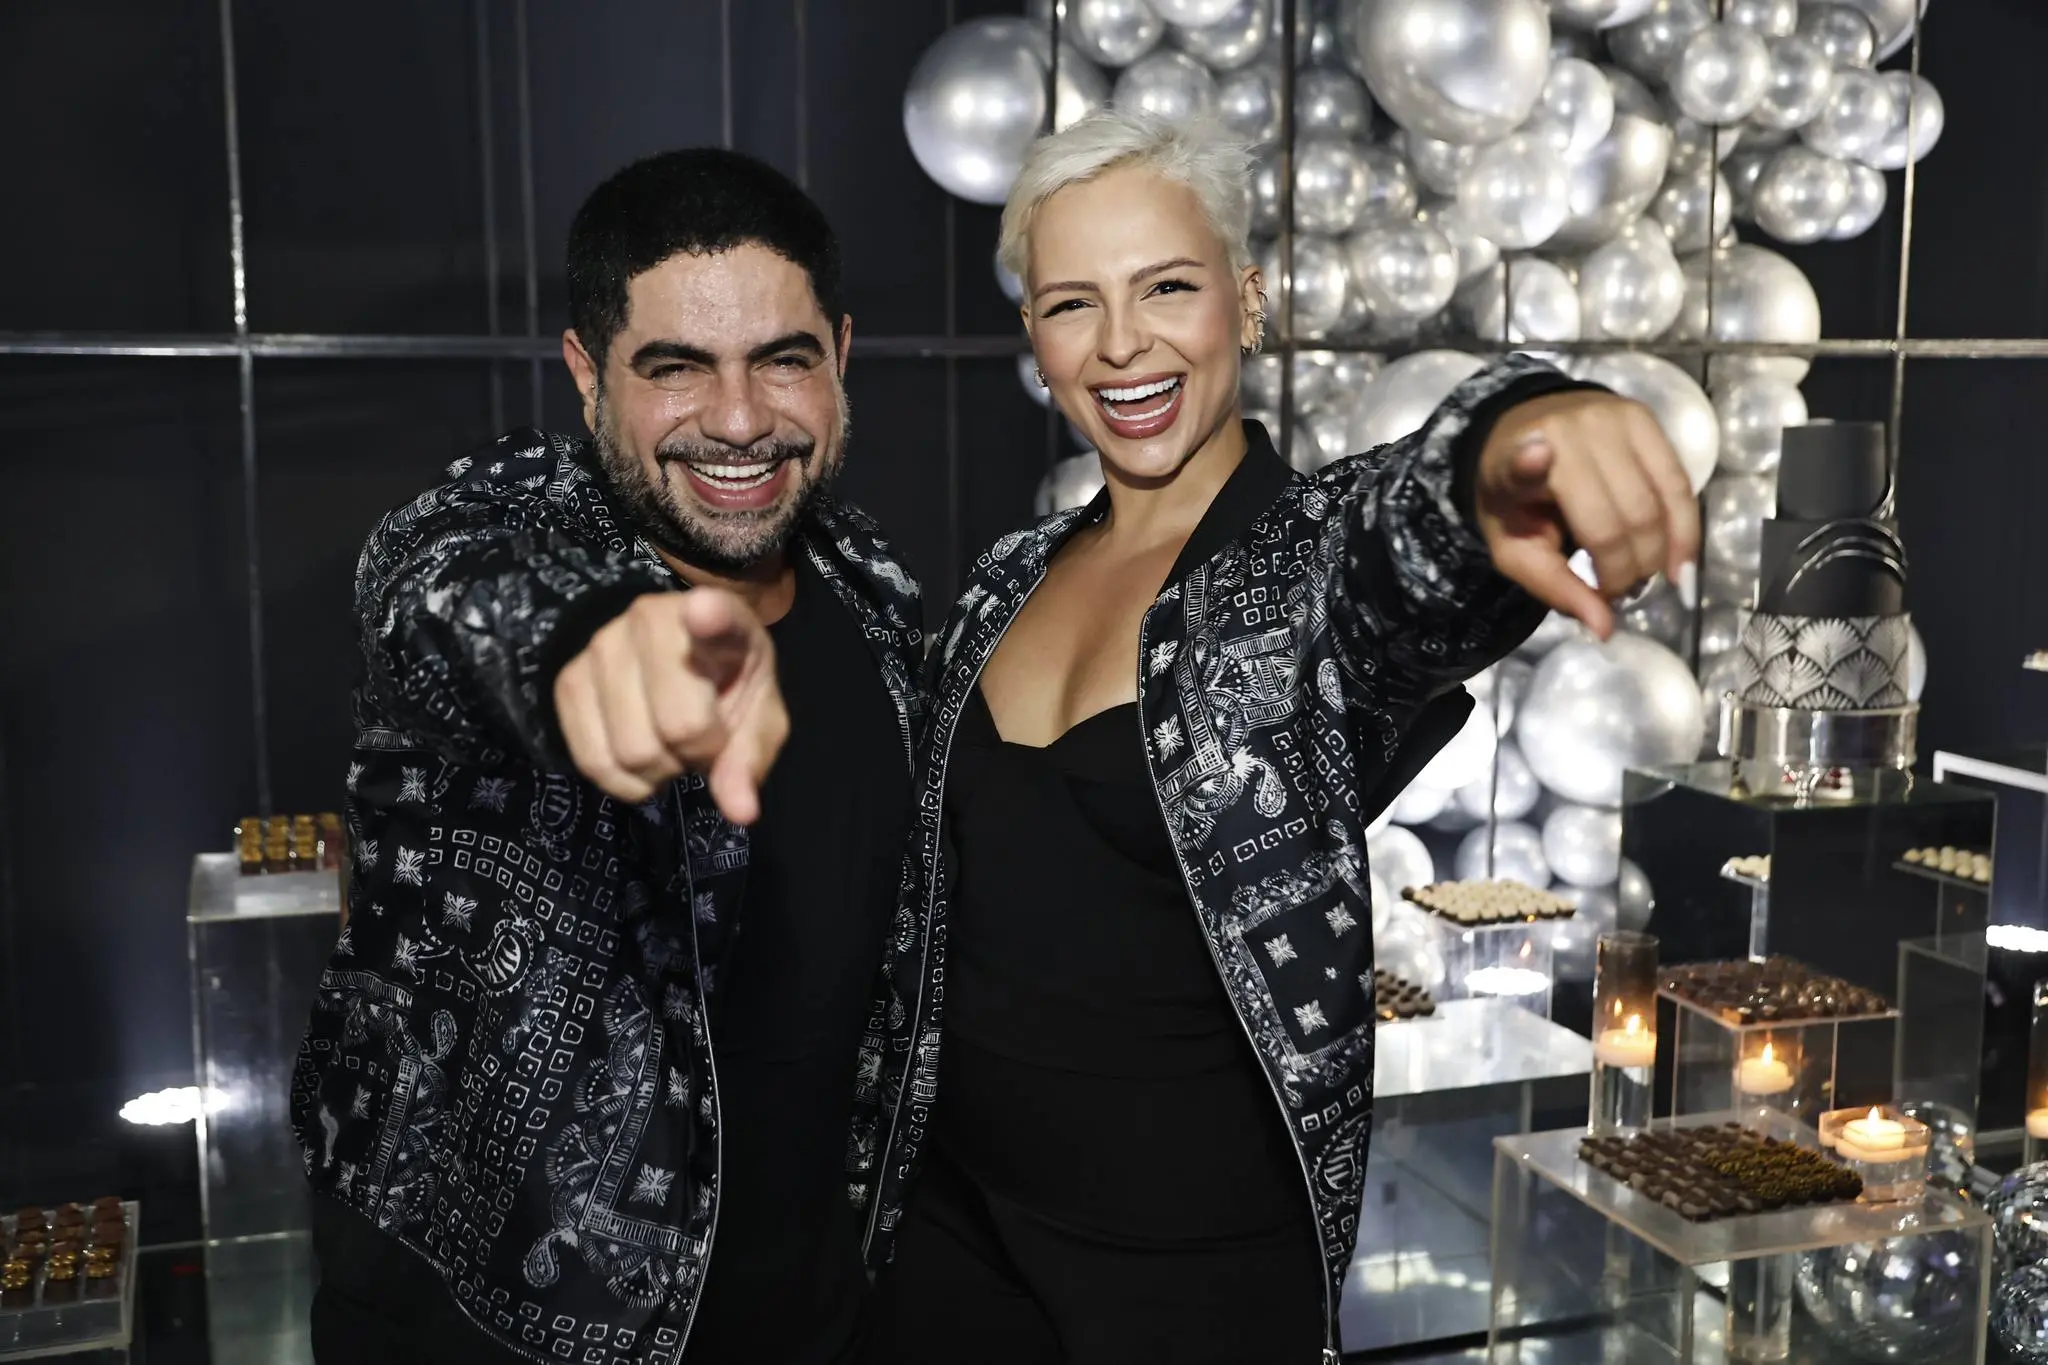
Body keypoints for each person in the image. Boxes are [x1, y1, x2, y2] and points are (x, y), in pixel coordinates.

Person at [858, 111, 1700, 1365]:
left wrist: (1510, 439)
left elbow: (1409, 538)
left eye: (1166, 287)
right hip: (950, 1242)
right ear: (1035, 336)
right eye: (1073, 303)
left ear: (1245, 302)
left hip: (1194, 1275)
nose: (1122, 342)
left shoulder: (1305, 563)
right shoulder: (1003, 580)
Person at [291, 148, 926, 1365]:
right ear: (587, 374)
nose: (737, 420)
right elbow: (441, 587)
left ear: (840, 357)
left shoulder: (877, 593)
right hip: (493, 1333)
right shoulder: (503, 530)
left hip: (819, 1318)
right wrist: (591, 644)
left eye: (782, 360)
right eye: (675, 368)